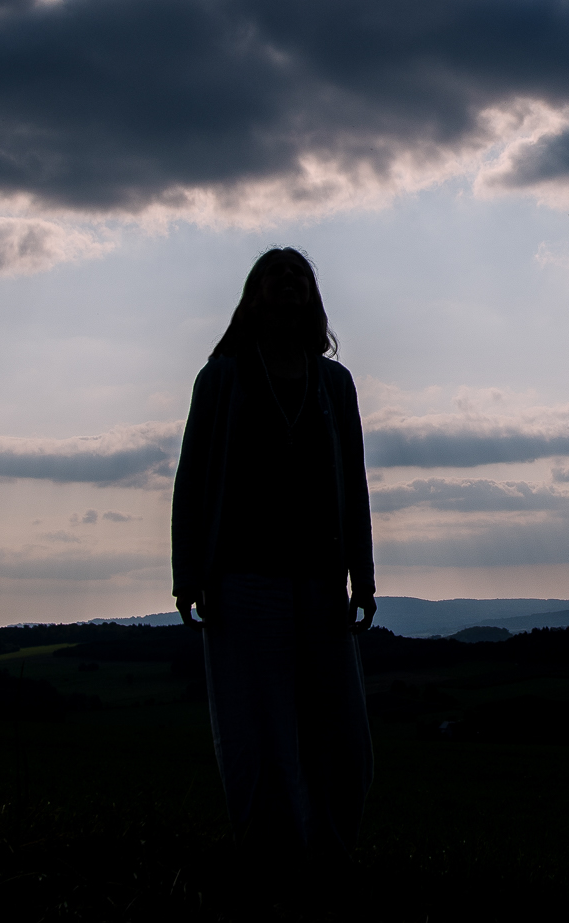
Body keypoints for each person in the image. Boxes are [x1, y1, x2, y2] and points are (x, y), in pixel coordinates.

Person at [170, 247, 376, 856]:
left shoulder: (335, 384)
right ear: (252, 296)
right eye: (273, 274)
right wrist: (188, 574)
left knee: (335, 727)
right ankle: (268, 853)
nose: (287, 282)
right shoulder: (223, 376)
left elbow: (354, 484)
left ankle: (333, 849)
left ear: (313, 299)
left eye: (300, 275)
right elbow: (193, 477)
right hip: (242, 577)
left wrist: (361, 578)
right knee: (255, 723)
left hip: (319, 580)